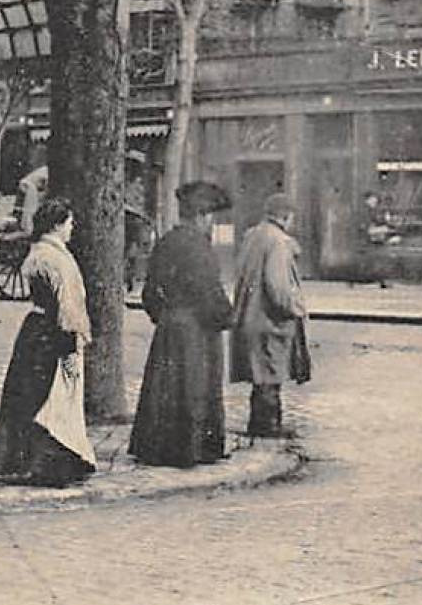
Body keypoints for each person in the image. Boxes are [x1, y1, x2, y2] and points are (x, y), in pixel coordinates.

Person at [0, 198, 97, 486]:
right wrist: (71, 344)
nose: (72, 228)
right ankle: (49, 463)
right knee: (51, 397)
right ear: (58, 225)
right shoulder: (56, 258)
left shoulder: (39, 252)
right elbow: (68, 306)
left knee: (28, 395)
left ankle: (18, 458)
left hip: (36, 329)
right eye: (69, 223)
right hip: (54, 331)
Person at [129, 181, 234, 468]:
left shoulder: (166, 242)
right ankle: (193, 448)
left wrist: (164, 317)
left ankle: (158, 446)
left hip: (170, 326)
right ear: (201, 216)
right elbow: (208, 292)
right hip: (196, 331)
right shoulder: (200, 248)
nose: (211, 222)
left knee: (165, 389)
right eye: (210, 216)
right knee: (194, 388)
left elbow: (149, 291)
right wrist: (226, 317)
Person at [230, 192, 312, 439]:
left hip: (250, 317)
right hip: (269, 320)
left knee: (260, 375)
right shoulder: (278, 242)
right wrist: (296, 308)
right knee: (270, 375)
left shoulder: (252, 235)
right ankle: (268, 427)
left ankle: (260, 424)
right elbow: (277, 287)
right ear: (286, 216)